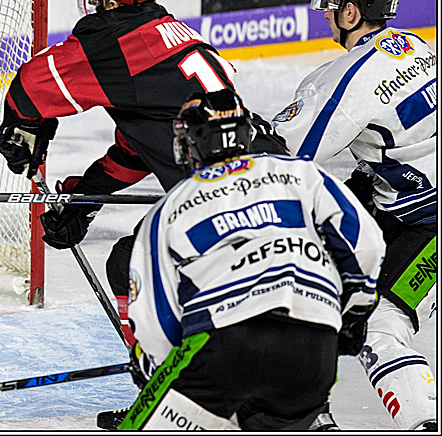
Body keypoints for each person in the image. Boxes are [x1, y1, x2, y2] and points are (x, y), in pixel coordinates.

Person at [0, 0, 286, 345]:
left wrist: (20, 127)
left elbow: (31, 86)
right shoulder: (172, 32)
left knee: (131, 265)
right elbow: (142, 148)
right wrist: (86, 196)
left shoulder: (117, 43)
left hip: (225, 208)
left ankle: (155, 378)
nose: (92, 7)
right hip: (280, 185)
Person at [120, 89, 385, 430]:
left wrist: (154, 365)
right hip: (312, 347)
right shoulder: (300, 173)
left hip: (223, 345)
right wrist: (351, 315)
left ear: (192, 145)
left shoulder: (171, 207)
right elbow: (366, 246)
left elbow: (157, 318)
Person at [272, 0, 437, 431]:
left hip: (427, 223)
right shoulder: (417, 48)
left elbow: (283, 156)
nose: (326, 13)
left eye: (332, 4)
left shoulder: (343, 78)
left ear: (350, 13)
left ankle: (422, 424)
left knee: (380, 323)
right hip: (409, 210)